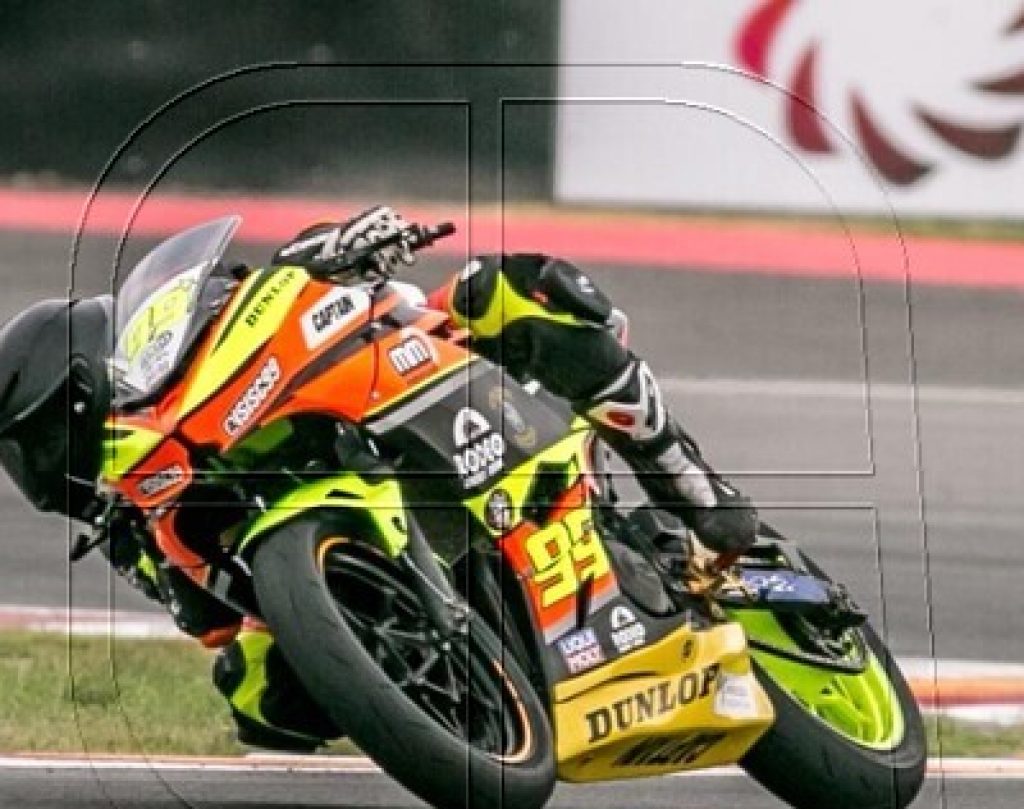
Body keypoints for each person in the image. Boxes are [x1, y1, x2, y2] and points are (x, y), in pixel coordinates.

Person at [0, 205, 757, 752]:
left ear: (86, 377)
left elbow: (294, 271)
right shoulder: (133, 520)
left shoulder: (207, 329)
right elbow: (212, 624)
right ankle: (455, 697)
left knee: (507, 288)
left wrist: (348, 242)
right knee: (258, 700)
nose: (36, 468)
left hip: (416, 372)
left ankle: (690, 484)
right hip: (356, 573)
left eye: (40, 439)